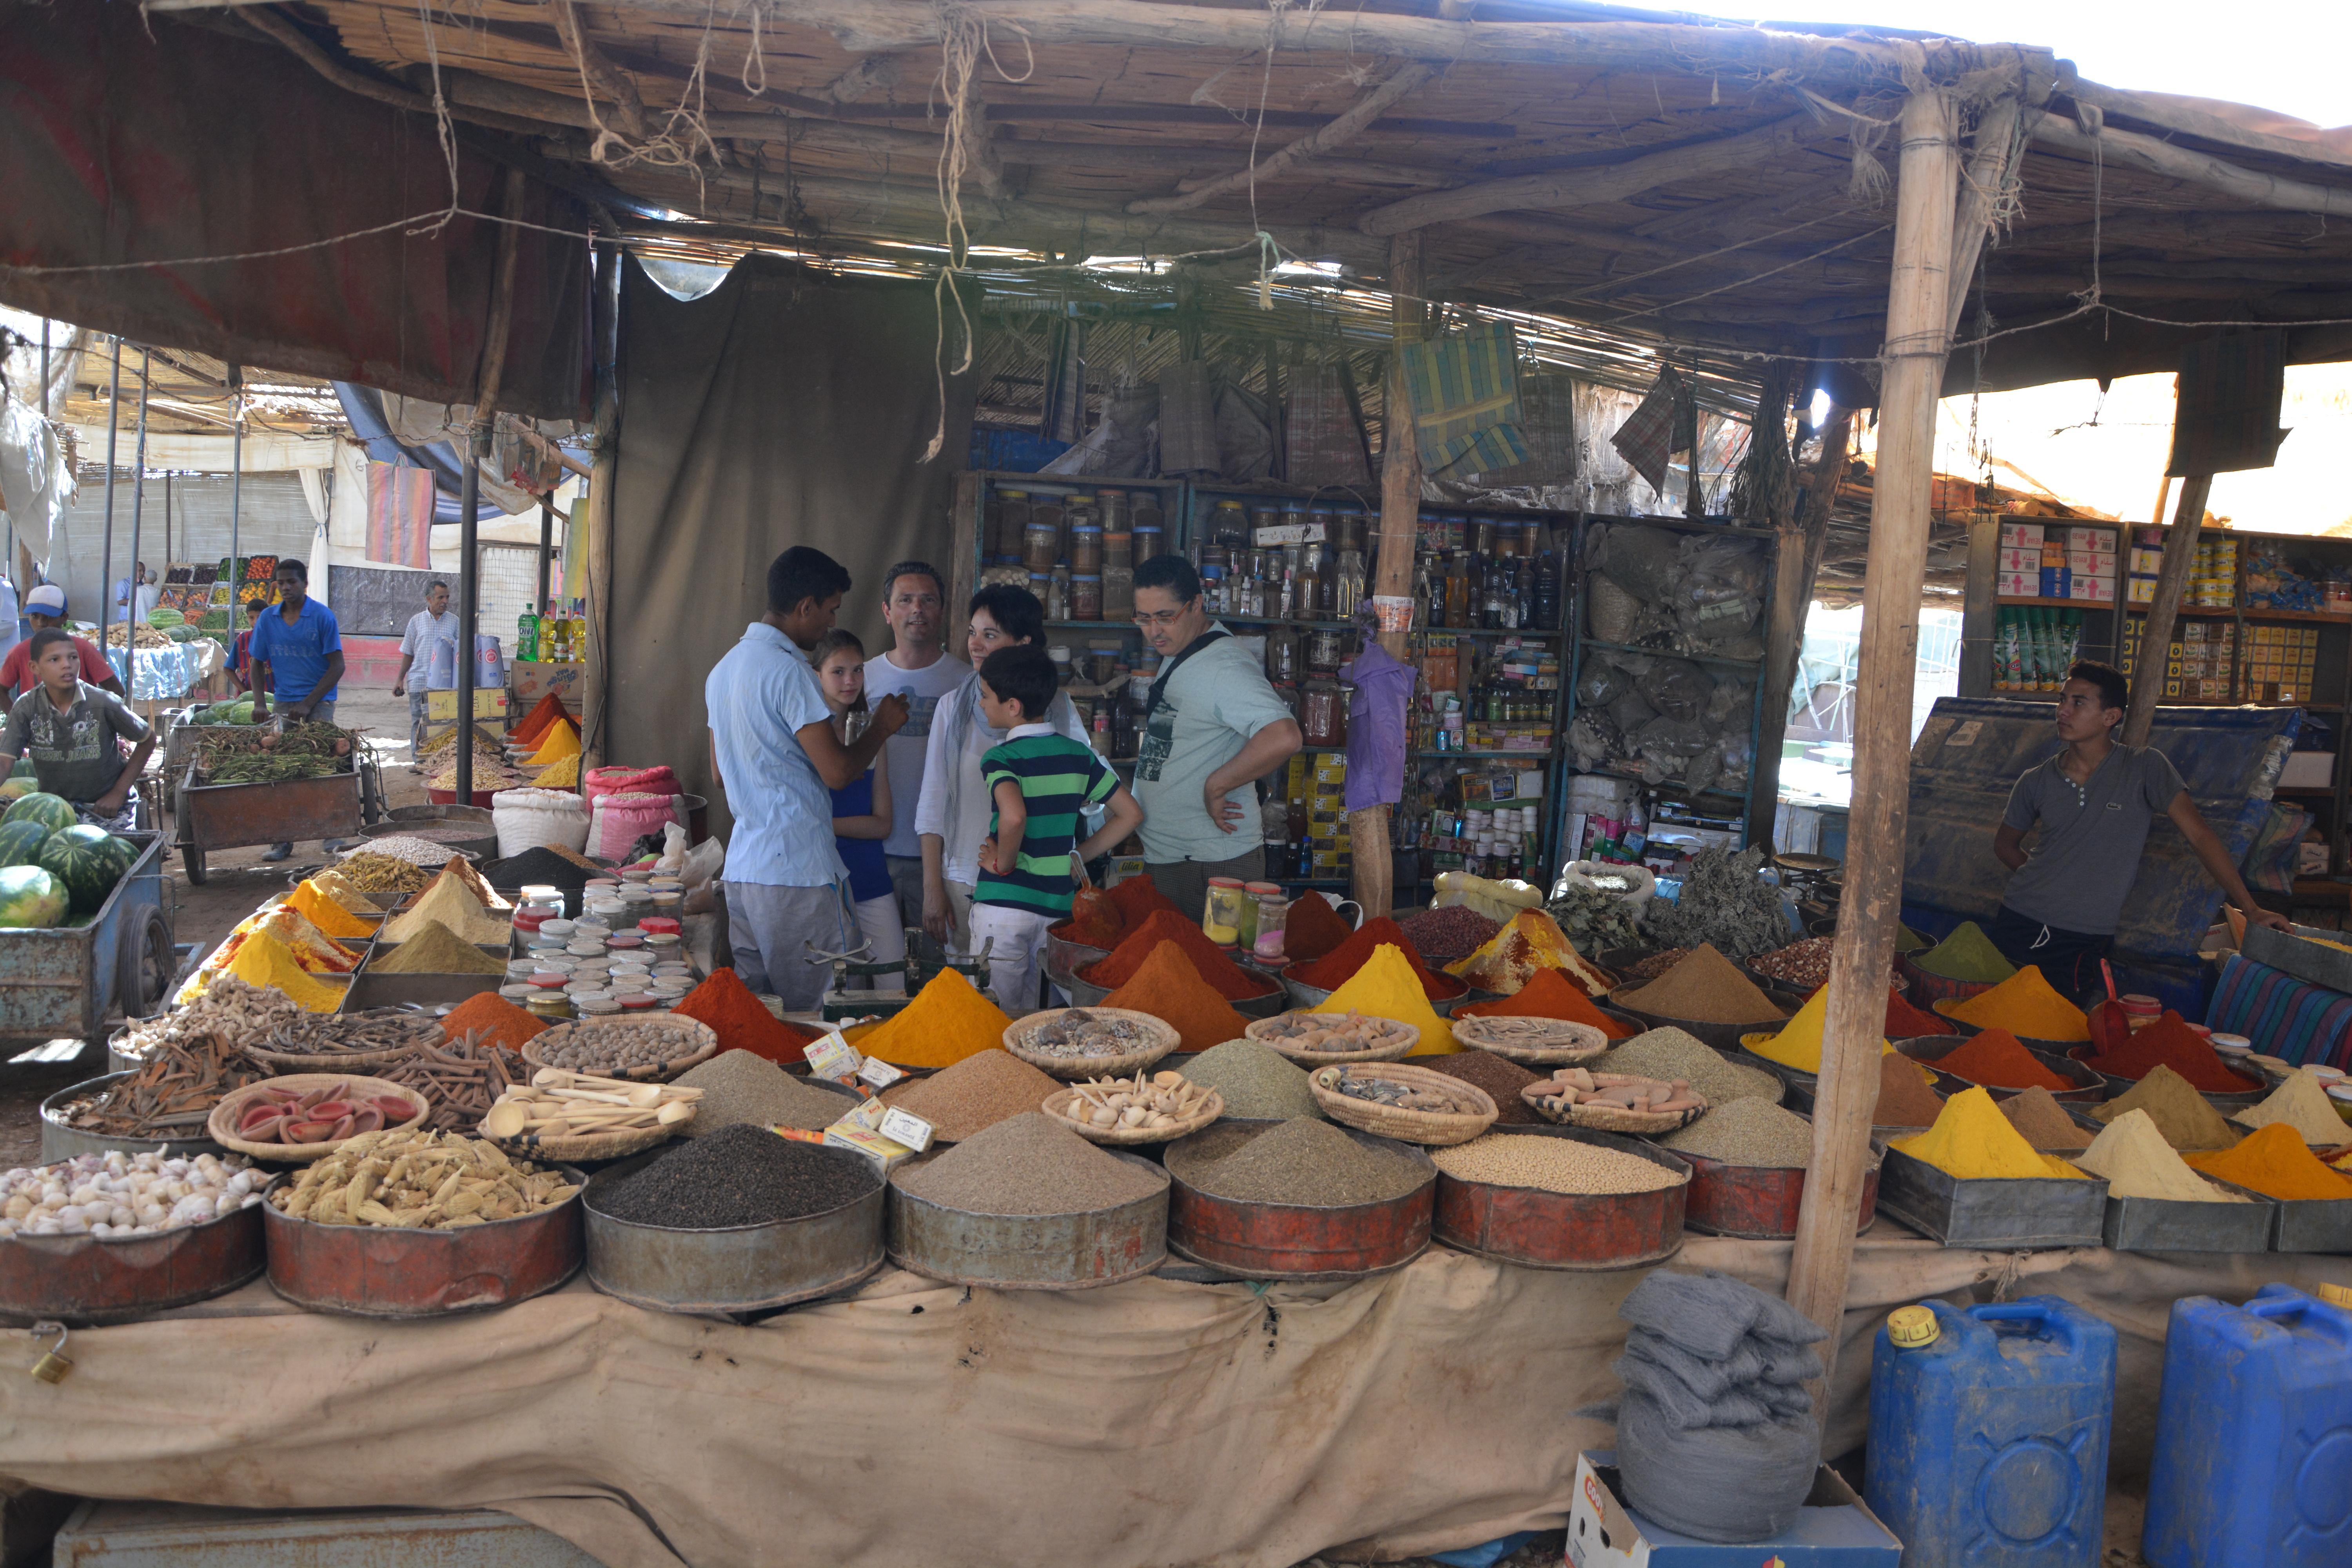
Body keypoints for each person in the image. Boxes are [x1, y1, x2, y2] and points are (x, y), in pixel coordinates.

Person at [1992, 659, 2290, 998]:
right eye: (2062, 700)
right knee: (2002, 1023)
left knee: (2062, 1027)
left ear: (2111, 717)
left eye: (2078, 702)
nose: (2063, 711)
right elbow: (2005, 846)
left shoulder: (2145, 767)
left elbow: (2200, 836)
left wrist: (2250, 909)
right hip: (2020, 919)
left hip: (2084, 935)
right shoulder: (2035, 781)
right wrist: (2052, 880)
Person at [705, 546, 907, 1011]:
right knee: (825, 1014)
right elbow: (837, 772)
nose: (828, 623)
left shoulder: (723, 671)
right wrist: (881, 727)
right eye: (830, 610)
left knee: (762, 1015)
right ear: (805, 607)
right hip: (796, 873)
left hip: (744, 873)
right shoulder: (789, 672)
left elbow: (719, 775)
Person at [912, 586, 1092, 962]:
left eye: (990, 635)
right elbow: (932, 801)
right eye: (972, 633)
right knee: (976, 1000)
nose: (975, 645)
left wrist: (1075, 862)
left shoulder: (1056, 708)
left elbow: (1091, 795)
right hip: (964, 877)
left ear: (1024, 643)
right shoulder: (953, 707)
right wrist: (933, 887)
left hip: (1041, 889)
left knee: (1034, 1007)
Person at [969, 644, 1142, 1013]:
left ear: (1013, 706)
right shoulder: (1078, 755)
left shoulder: (1001, 757)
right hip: (1057, 912)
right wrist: (1077, 857)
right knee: (1040, 1025)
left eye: (985, 696)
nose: (982, 704)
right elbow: (1130, 815)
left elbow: (1014, 816)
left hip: (1004, 907)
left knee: (992, 1020)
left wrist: (1004, 863)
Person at [1128, 554, 1303, 914]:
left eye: (1165, 617)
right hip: (1176, 855)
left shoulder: (1225, 666)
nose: (1154, 631)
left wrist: (1217, 785)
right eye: (1144, 619)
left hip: (1211, 862)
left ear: (1197, 605)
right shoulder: (1182, 650)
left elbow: (1284, 735)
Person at [859, 561, 968, 956]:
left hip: (942, 858)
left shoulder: (966, 682)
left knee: (936, 976)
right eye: (905, 600)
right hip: (874, 852)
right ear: (887, 611)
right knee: (878, 976)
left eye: (928, 600)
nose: (917, 609)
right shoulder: (861, 678)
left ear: (942, 609)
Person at [813, 628, 906, 996]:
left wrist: (824, 825)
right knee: (837, 993)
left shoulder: (871, 734)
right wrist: (838, 828)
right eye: (838, 672)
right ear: (816, 674)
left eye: (857, 671)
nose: (850, 681)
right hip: (822, 882)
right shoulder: (806, 737)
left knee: (894, 985)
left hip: (870, 877)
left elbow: (883, 824)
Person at [247, 559, 350, 860]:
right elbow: (256, 664)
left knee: (322, 765)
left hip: (319, 703)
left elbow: (338, 666)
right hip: (283, 703)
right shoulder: (268, 619)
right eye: (281, 583)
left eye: (292, 582)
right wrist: (257, 702)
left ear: (305, 584)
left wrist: (309, 704)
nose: (286, 588)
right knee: (283, 770)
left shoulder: (321, 617)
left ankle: (331, 834)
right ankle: (283, 841)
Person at [0, 629, 154, 831]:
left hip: (107, 808)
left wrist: (117, 793)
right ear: (34, 668)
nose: (67, 665)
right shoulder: (26, 707)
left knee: (110, 856)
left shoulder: (103, 702)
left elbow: (148, 739)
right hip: (54, 808)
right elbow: (4, 761)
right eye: (55, 660)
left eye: (73, 657)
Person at [0, 586, 121, 701]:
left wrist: (94, 713)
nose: (41, 623)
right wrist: (16, 718)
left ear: (64, 618)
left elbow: (117, 690)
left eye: (48, 617)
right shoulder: (20, 652)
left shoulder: (83, 648)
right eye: (35, 616)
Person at [391, 580, 460, 769]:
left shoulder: (455, 622)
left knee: (443, 724)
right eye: (441, 597)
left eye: (447, 597)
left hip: (445, 685)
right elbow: (408, 653)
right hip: (418, 681)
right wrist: (400, 679)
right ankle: (419, 762)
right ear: (429, 599)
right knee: (419, 723)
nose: (445, 601)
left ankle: (442, 762)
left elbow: (461, 653)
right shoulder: (416, 622)